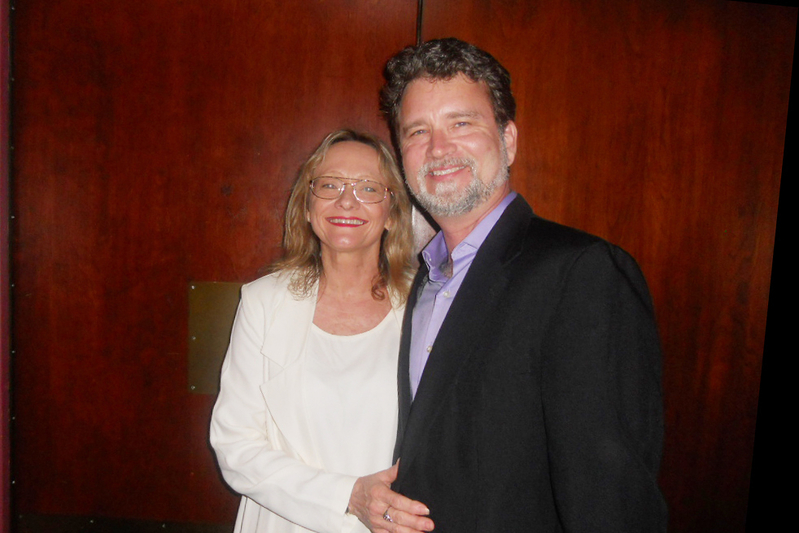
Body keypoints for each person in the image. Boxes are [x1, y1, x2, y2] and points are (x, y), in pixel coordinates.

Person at [373, 38, 669, 532]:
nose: (438, 148)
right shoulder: (425, 280)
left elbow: (611, 499)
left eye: (461, 123)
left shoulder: (581, 273)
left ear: (508, 140)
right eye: (417, 131)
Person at [210, 129, 434, 533]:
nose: (346, 200)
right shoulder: (263, 302)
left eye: (368, 188)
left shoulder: (426, 306)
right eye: (330, 185)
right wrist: (348, 496)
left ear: (392, 213)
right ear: (308, 206)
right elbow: (235, 445)